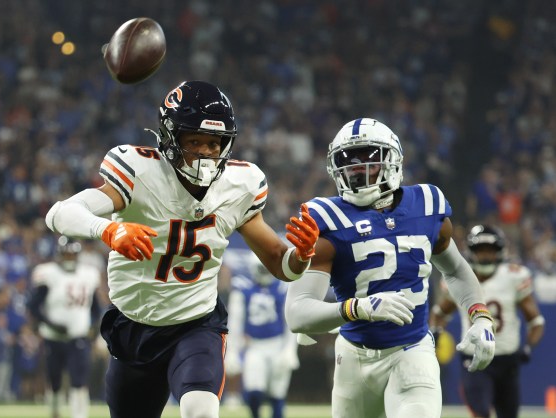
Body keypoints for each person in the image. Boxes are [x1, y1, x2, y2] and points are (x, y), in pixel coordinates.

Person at [44, 80, 318, 418]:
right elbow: (59, 213)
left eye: (213, 143)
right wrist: (109, 229)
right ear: (170, 138)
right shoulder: (140, 172)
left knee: (200, 411)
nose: (205, 152)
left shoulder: (238, 185)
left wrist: (301, 257)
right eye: (194, 141)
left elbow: (281, 264)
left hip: (195, 324)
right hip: (135, 325)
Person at [284, 117, 496, 418]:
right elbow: (297, 314)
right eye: (347, 159)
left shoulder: (426, 205)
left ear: (392, 161)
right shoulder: (326, 218)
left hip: (412, 351)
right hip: (354, 358)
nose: (355, 167)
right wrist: (358, 308)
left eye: (367, 157)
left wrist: (480, 316)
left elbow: (457, 270)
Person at [430, 224, 545, 418]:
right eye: (480, 250)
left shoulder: (514, 276)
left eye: (490, 251)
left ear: (500, 251)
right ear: (471, 252)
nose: (485, 256)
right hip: (473, 358)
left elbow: (536, 322)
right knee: (480, 412)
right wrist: (436, 332)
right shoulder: (458, 277)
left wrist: (528, 347)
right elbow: (440, 312)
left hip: (507, 359)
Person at [28, 236, 102, 418]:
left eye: (72, 254)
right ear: (59, 254)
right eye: (66, 254)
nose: (69, 258)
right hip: (53, 337)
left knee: (79, 379)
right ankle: (54, 412)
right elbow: (33, 305)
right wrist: (50, 324)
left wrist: (92, 327)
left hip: (78, 336)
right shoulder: (49, 274)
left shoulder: (88, 274)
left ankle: (79, 415)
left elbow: (95, 308)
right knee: (54, 380)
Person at [225, 253, 299, 418]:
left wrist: (290, 349)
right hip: (255, 346)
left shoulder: (282, 288)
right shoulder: (243, 288)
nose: (265, 271)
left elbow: (291, 322)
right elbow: (235, 322)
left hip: (278, 344)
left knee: (277, 393)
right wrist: (232, 351)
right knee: (254, 391)